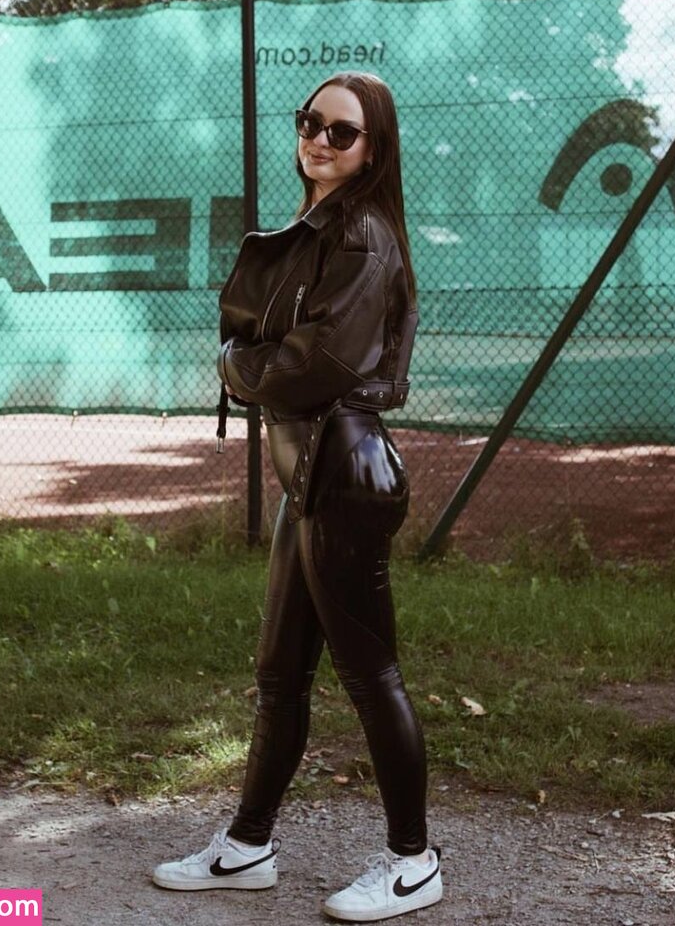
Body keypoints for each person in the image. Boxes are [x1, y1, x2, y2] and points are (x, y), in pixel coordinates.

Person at [152, 71, 442, 922]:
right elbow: (287, 351)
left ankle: (414, 862)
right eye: (310, 122)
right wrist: (254, 363)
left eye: (340, 131)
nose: (318, 138)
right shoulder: (321, 228)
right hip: (309, 475)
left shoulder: (362, 237)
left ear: (372, 150)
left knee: (370, 673)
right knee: (280, 674)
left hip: (343, 473)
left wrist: (234, 365)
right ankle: (247, 846)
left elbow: (314, 363)